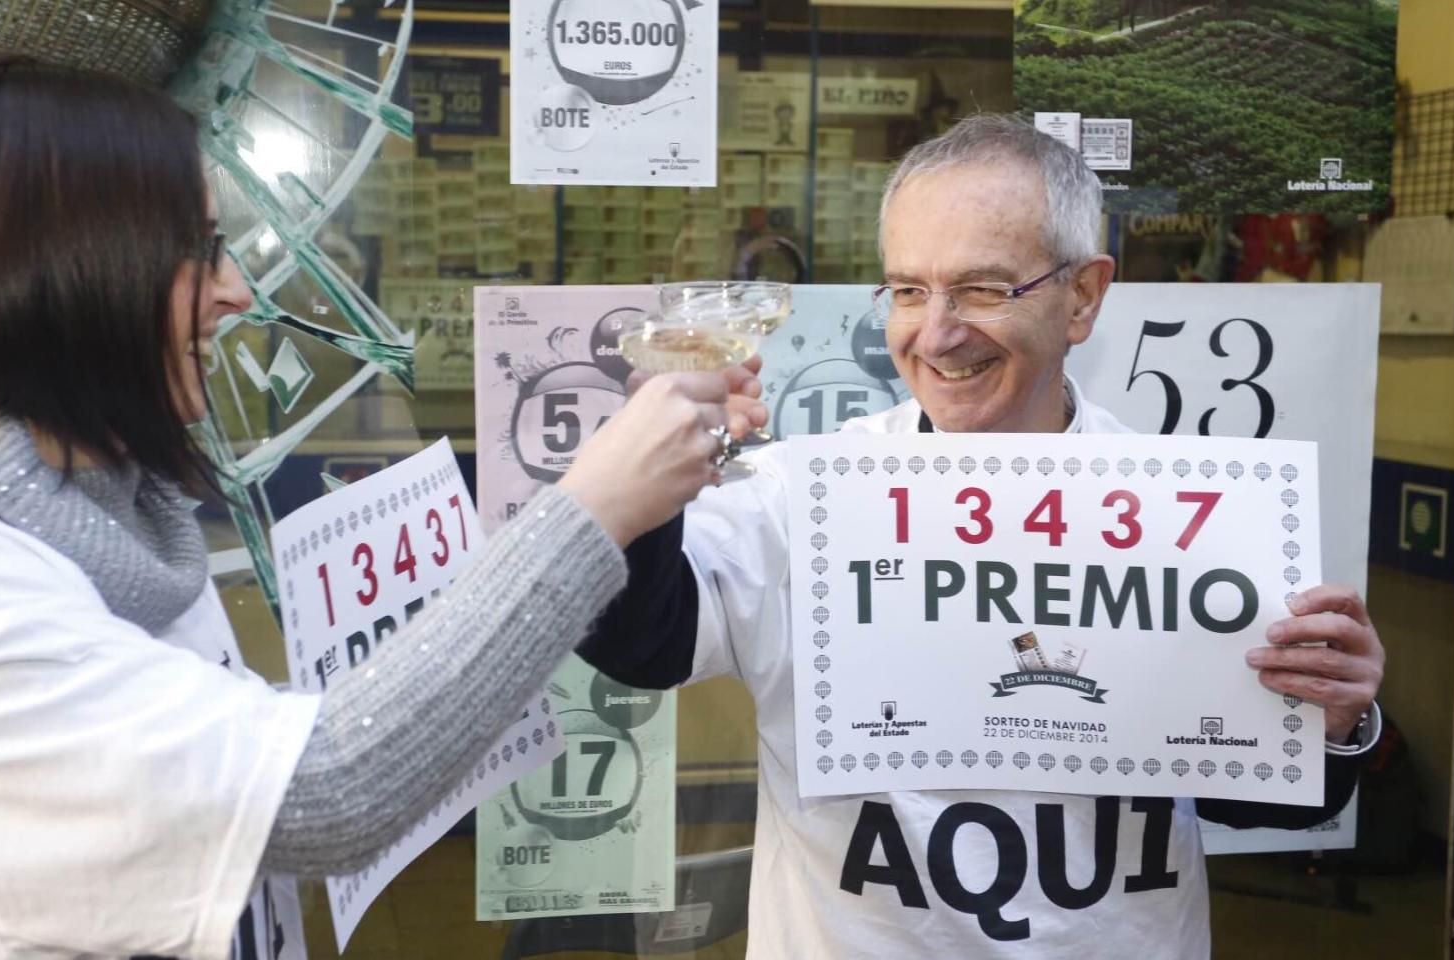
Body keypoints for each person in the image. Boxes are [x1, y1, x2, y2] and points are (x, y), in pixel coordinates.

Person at [0, 56, 764, 960]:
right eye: (201, 252)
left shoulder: (110, 520)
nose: (237, 293)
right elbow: (320, 791)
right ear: (73, 275)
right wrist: (589, 509)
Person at [581, 114, 1386, 958]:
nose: (937, 334)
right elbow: (645, 643)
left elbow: (1266, 798)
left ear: (1083, 296)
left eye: (983, 288)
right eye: (908, 290)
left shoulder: (1181, 513)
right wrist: (646, 493)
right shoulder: (809, 496)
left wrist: (1336, 718)